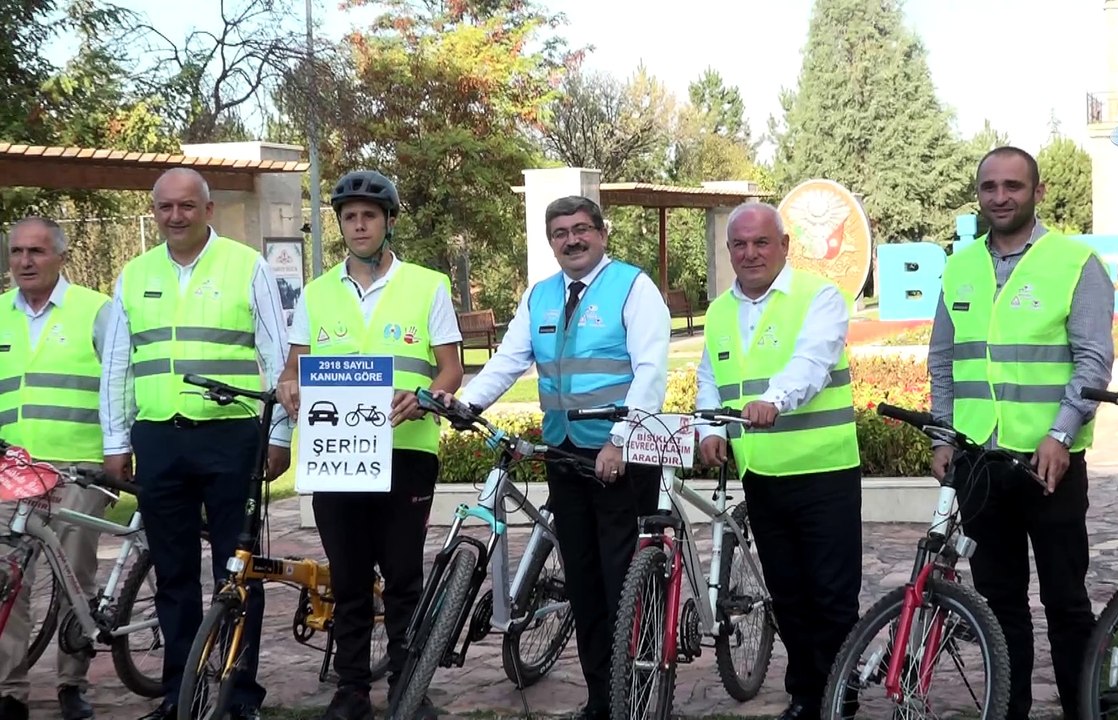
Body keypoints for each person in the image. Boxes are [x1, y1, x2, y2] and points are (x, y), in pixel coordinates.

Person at [438, 195, 670, 718]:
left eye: (581, 229)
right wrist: (469, 403)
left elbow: (651, 371)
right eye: (560, 233)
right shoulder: (540, 295)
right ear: (551, 242)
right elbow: (509, 359)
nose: (572, 240)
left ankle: (636, 692)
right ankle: (600, 696)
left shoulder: (633, 287)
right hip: (565, 454)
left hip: (619, 456)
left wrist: (621, 440)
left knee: (622, 580)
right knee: (583, 581)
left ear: (602, 234)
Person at [928, 146, 1114, 720]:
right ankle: (1010, 710)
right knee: (1000, 605)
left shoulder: (1076, 263)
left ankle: (1082, 708)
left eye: (1013, 186)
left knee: (1066, 602)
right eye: (989, 187)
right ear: (978, 194)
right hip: (979, 464)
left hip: (1047, 463)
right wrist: (942, 436)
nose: (1000, 197)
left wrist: (1060, 434)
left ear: (1038, 192)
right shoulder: (959, 266)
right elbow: (943, 361)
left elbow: (1093, 362)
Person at [99, 168, 293, 720]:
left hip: (231, 437)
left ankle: (239, 695)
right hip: (160, 437)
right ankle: (179, 693)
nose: (175, 216)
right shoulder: (134, 274)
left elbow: (279, 355)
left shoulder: (246, 266)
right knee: (173, 574)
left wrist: (279, 433)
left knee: (238, 572)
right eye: (165, 207)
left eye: (187, 205)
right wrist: (116, 440)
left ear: (208, 210)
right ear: (154, 212)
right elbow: (118, 364)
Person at [276, 170, 464, 720]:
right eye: (350, 217)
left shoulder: (427, 285)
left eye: (369, 216)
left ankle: (410, 685)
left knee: (403, 576)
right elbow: (293, 368)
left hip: (407, 450)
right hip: (338, 457)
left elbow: (450, 369)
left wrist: (425, 397)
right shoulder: (315, 293)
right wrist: (288, 385)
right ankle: (352, 689)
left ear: (388, 222)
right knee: (349, 578)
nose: (359, 226)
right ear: (340, 225)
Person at [694, 201, 863, 720]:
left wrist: (775, 399)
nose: (750, 253)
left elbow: (812, 362)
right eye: (740, 244)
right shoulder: (720, 311)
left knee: (831, 595)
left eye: (761, 242)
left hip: (822, 470)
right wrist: (708, 428)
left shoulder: (819, 297)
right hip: (761, 474)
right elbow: (709, 376)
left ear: (785, 245)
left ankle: (838, 695)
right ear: (729, 251)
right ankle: (806, 693)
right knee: (787, 595)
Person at [0, 218, 111, 720]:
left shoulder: (96, 311)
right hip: (11, 470)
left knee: (74, 577)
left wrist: (118, 451)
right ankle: (10, 691)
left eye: (37, 251)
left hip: (77, 467)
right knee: (8, 582)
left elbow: (119, 384)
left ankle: (72, 683)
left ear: (60, 257)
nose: (25, 261)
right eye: (16, 252)